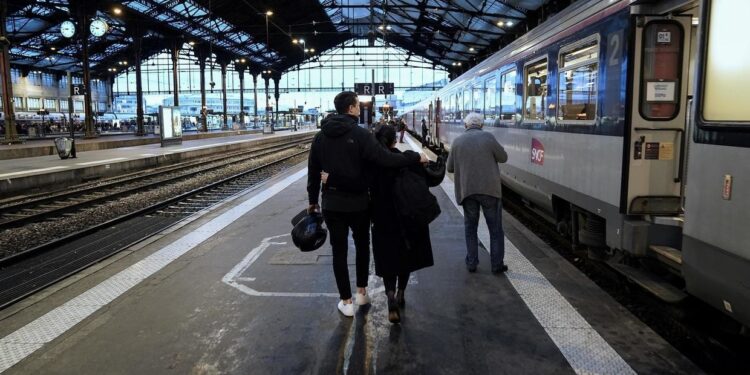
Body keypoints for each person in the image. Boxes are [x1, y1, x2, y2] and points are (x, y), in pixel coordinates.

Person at [308, 91, 428, 317]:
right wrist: (414, 157)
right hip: (359, 203)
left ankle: (346, 301)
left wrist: (312, 201)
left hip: (332, 203)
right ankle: (362, 291)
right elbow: (386, 159)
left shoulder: (320, 137)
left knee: (339, 252)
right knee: (362, 246)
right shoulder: (361, 135)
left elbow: (313, 172)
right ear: (352, 108)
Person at [370, 125, 434, 323]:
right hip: (406, 217)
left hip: (381, 218)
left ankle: (390, 296)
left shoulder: (372, 163)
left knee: (388, 258)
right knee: (405, 256)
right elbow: (428, 179)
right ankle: (401, 293)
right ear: (394, 140)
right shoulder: (406, 159)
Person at [446, 112, 508, 274]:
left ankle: (472, 263)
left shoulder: (458, 141)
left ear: (466, 125)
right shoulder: (488, 138)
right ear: (481, 125)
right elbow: (503, 157)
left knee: (470, 227)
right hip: (489, 191)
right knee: (495, 229)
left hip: (468, 191)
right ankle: (496, 265)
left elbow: (450, 168)